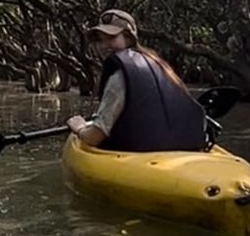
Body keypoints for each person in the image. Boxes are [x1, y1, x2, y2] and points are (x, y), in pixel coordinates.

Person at [65, 9, 207, 152]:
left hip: (142, 157)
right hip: (182, 150)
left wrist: (80, 128)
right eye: (101, 40)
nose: (104, 45)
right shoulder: (161, 66)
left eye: (111, 37)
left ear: (128, 37)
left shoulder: (119, 77)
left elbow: (94, 137)